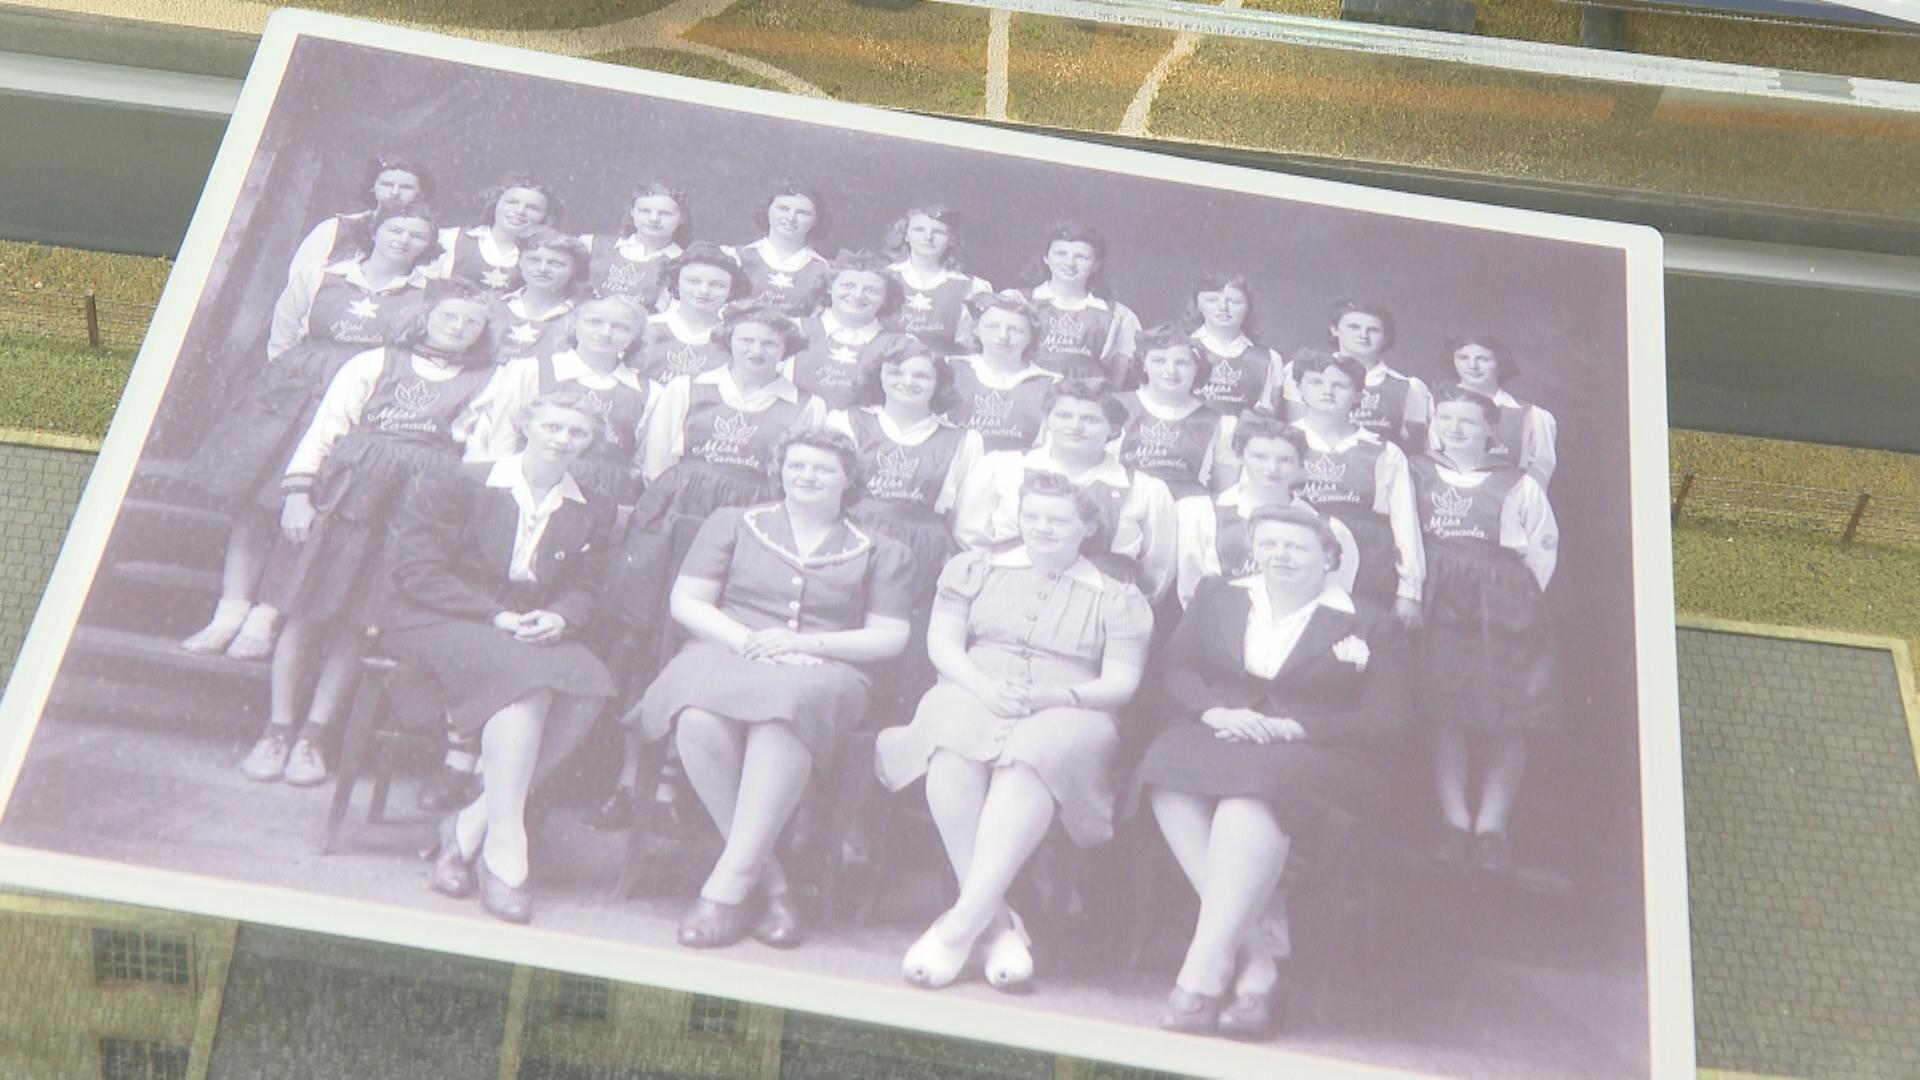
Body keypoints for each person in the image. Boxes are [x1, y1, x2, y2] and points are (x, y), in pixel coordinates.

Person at [1135, 505, 1412, 1039]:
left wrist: (1296, 729)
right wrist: (1214, 711)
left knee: (1251, 796)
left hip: (1319, 751)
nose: (1281, 555)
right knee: (1165, 768)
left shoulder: (1371, 621)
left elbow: (1388, 718)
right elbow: (1176, 669)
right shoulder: (1219, 595)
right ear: (1254, 550)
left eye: (1297, 547)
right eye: (1270, 545)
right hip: (1222, 728)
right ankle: (1257, 959)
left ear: (1328, 557)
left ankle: (1202, 971)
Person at [631, 429, 915, 949]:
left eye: (822, 469)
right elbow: (688, 603)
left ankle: (727, 888)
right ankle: (775, 883)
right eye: (797, 465)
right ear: (780, 470)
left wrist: (810, 642)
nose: (806, 476)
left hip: (824, 665)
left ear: (849, 479)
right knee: (696, 714)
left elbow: (890, 636)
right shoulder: (734, 524)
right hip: (728, 649)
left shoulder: (881, 549)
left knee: (787, 708)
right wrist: (751, 643)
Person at [874, 473, 1153, 991]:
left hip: (1073, 707)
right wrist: (983, 687)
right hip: (975, 686)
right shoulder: (973, 570)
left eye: (1058, 520)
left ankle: (957, 927)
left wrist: (1058, 697)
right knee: (952, 737)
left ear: (1086, 527)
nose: (1042, 528)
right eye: (1033, 516)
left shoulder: (1117, 598)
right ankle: (996, 924)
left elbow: (1121, 682)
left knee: (1031, 757)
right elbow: (944, 646)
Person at [236, 280, 501, 787]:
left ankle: (314, 737)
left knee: (359, 623)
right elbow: (326, 428)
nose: (459, 327)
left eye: (472, 323)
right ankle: (277, 730)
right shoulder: (375, 362)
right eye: (450, 317)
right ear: (426, 318)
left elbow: (479, 453)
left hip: (417, 508)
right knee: (306, 611)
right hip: (349, 496)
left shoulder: (489, 380)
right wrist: (298, 495)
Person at [388, 388, 618, 924]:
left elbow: (588, 584)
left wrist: (562, 616)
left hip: (526, 624)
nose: (564, 440)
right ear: (528, 424)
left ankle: (469, 825)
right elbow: (417, 570)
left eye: (578, 433)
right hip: (441, 615)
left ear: (590, 443)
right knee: (527, 681)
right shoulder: (462, 480)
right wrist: (493, 615)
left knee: (589, 682)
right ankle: (507, 848)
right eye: (555, 427)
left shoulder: (592, 505)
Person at [594, 307, 827, 826]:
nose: (757, 350)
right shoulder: (688, 388)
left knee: (708, 647)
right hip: (675, 521)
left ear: (785, 350)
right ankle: (630, 781)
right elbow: (657, 464)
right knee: (647, 646)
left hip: (747, 530)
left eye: (769, 342)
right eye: (747, 339)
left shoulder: (807, 407)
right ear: (730, 341)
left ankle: (676, 786)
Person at [180, 201, 440, 658]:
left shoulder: (424, 295)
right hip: (295, 393)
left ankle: (266, 617)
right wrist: (299, 381)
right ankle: (230, 611)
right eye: (396, 229)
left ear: (427, 245)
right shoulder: (324, 275)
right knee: (258, 507)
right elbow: (283, 335)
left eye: (416, 235)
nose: (404, 241)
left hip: (360, 400)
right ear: (377, 230)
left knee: (315, 510)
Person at [1412, 387, 1559, 876]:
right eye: (1447, 419)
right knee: (1445, 710)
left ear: (1490, 430)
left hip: (1501, 599)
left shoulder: (1517, 483)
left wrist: (1515, 602)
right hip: (1436, 593)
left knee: (1508, 715)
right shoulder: (1415, 471)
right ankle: (1453, 822)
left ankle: (1491, 828)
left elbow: (1541, 550)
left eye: (1468, 422)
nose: (1456, 429)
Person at [827, 349, 984, 710]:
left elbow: (963, 515)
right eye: (897, 372)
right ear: (879, 375)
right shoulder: (846, 422)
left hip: (921, 546)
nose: (908, 382)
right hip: (854, 536)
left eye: (922, 376)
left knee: (903, 634)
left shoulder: (963, 440)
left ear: (938, 384)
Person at [954, 379, 1178, 604]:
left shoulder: (1146, 490)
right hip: (1009, 596)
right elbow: (970, 539)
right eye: (1064, 416)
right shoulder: (1002, 467)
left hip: (1099, 607)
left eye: (1090, 419)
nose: (1075, 427)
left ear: (1114, 428)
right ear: (1047, 420)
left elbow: (1156, 571)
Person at [480, 290, 653, 502]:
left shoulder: (648, 392)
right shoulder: (530, 371)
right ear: (575, 324)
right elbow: (503, 439)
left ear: (636, 335)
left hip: (604, 498)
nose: (606, 332)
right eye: (594, 322)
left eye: (621, 327)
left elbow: (639, 463)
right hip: (528, 490)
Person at [1288, 352, 1423, 621]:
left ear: (1358, 395)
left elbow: (1405, 524)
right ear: (1300, 389)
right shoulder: (1281, 442)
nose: (1327, 391)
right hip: (1295, 552)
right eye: (1316, 382)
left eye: (1340, 385)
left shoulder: (1385, 452)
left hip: (1369, 559)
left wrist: (1410, 592)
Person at [1175, 417, 1356, 609]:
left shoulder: (1328, 528)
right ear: (1240, 456)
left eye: (1285, 460)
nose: (1271, 469)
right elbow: (1191, 588)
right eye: (1259, 457)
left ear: (1301, 464)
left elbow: (1334, 597)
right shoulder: (1202, 514)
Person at [786, 250, 931, 412]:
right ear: (829, 287)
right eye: (848, 286)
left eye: (871, 290)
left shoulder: (902, 346)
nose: (857, 295)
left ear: (886, 298)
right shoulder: (793, 330)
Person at [1116, 327, 1236, 504]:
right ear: (1144, 364)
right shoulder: (1117, 407)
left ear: (1197, 368)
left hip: (1187, 516)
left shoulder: (1220, 423)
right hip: (1126, 510)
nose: (1170, 371)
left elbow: (1225, 494)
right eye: (1159, 361)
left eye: (1182, 363)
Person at [282, 156, 432, 296]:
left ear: (421, 193)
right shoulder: (334, 228)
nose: (394, 192)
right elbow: (300, 280)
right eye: (387, 184)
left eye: (406, 187)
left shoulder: (425, 237)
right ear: (373, 186)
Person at [1021, 222, 1140, 383]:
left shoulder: (1119, 316)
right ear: (1046, 258)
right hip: (1028, 397)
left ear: (1096, 264)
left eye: (1081, 257)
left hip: (1086, 402)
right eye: (1061, 254)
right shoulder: (1018, 301)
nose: (1069, 263)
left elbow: (1116, 381)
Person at [943, 291, 1061, 454]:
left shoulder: (1051, 384)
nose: (1003, 336)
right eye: (993, 326)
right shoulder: (949, 369)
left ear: (1031, 336)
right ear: (976, 329)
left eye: (1016, 330)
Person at [1435, 334, 1557, 488]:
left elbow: (1537, 481)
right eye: (1463, 357)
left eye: (1483, 359)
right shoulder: (1435, 406)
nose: (1472, 366)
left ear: (1500, 363)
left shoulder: (1533, 416)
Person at [1321, 299, 1431, 451]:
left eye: (1373, 330)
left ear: (1386, 337)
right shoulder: (1311, 375)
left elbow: (1413, 450)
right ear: (1334, 330)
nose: (1363, 335)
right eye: (1354, 327)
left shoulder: (1409, 387)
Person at [881, 206, 992, 356]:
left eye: (938, 232)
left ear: (951, 239)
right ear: (906, 235)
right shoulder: (883, 278)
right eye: (919, 230)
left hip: (943, 373)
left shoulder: (972, 287)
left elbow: (970, 348)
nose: (928, 237)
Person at [633, 242, 746, 386]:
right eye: (693, 281)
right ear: (676, 282)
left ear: (731, 290)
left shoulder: (734, 338)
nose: (704, 291)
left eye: (717, 285)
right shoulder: (645, 327)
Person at [436, 173, 560, 295]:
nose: (520, 211)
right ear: (495, 203)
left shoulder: (546, 254)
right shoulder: (453, 239)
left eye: (533, 208)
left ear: (545, 217)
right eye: (512, 202)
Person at [726, 180, 831, 316]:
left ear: (816, 219)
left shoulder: (823, 269)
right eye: (783, 209)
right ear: (767, 210)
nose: (791, 218)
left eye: (802, 213)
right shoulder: (736, 258)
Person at [1183, 272, 1280, 418]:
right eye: (1211, 300)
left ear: (1248, 306)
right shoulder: (1182, 349)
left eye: (1234, 302)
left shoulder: (1267, 359)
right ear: (1198, 305)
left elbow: (1268, 419)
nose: (1223, 307)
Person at [583, 180, 690, 310]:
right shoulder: (591, 245)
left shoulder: (683, 262)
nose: (654, 219)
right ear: (632, 211)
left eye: (665, 213)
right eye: (645, 211)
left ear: (682, 217)